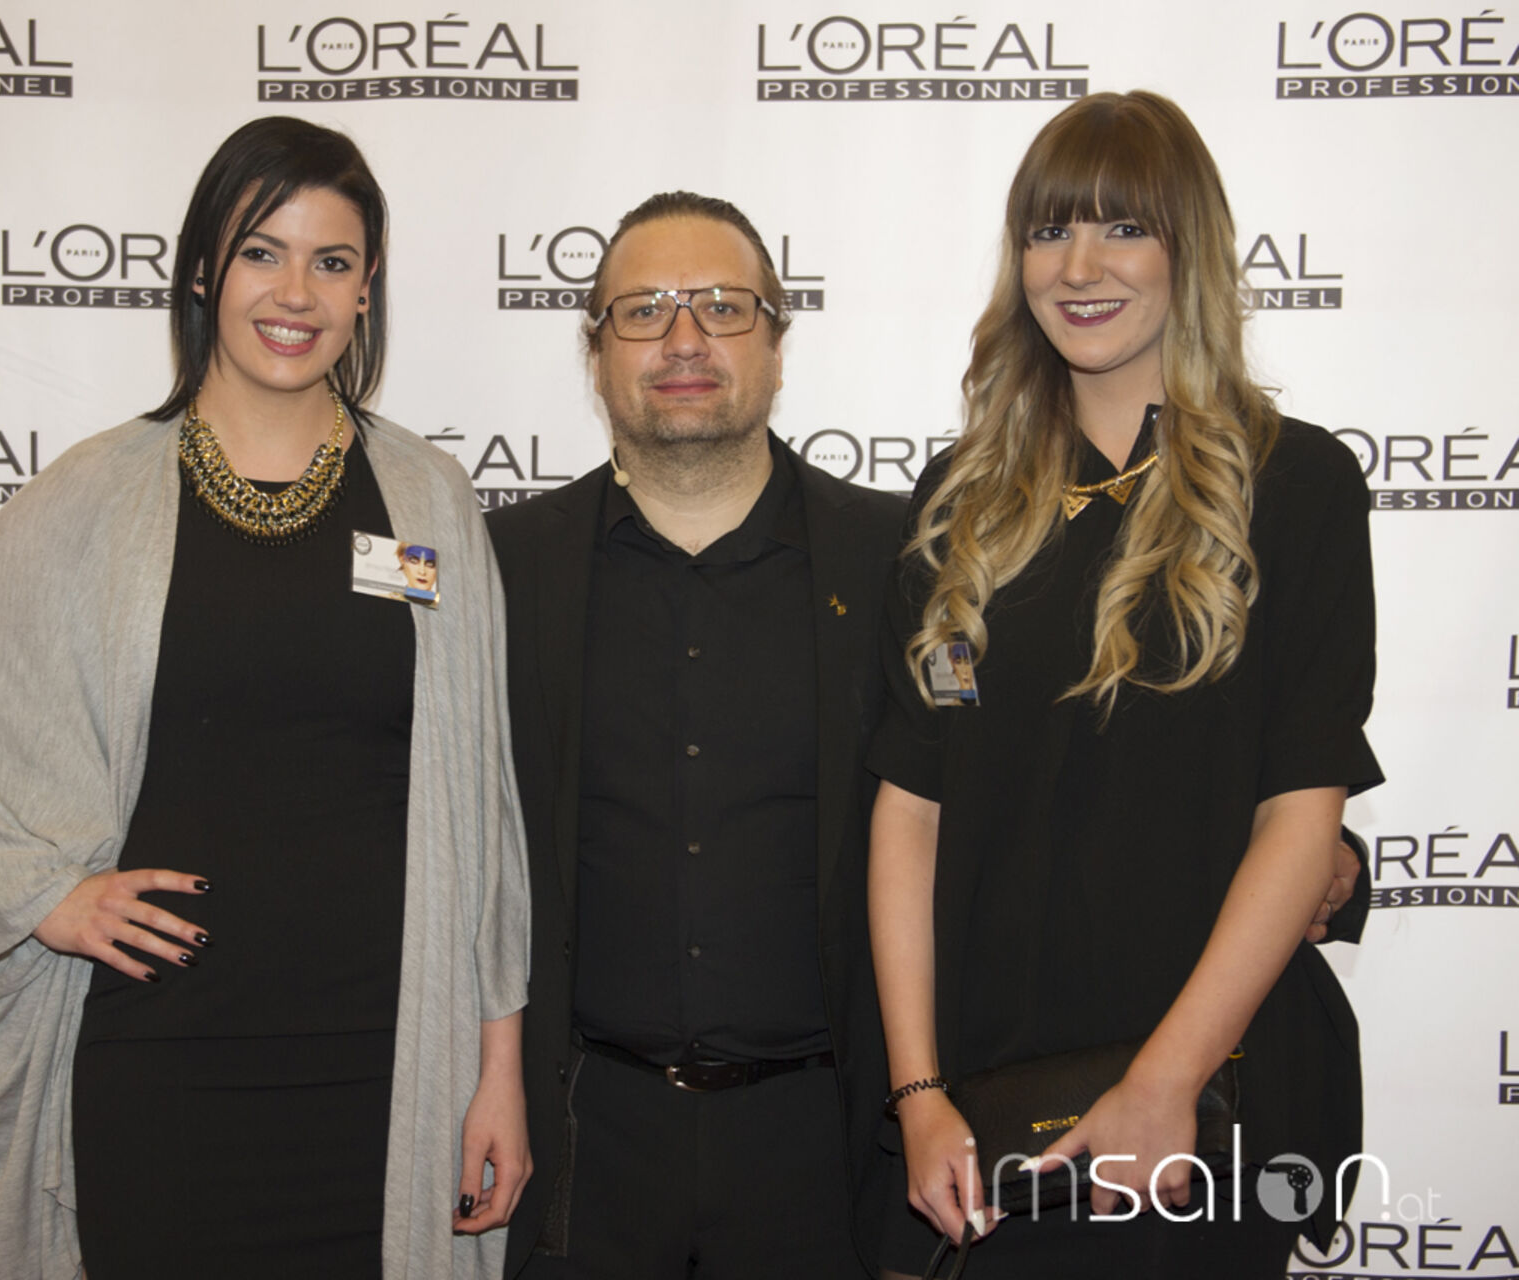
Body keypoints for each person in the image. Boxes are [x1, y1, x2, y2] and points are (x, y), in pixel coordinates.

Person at [0, 116, 530, 1280]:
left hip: (385, 1067)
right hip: (162, 1064)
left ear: (368, 288)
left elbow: (485, 813)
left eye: (332, 261)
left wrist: (498, 1067)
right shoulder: (98, 493)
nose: (296, 293)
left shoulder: (427, 497)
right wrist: (41, 895)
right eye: (263, 251)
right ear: (206, 268)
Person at [868, 91, 1381, 1279]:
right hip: (995, 1110)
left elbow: (1303, 812)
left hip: (1215, 1102)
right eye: (1050, 230)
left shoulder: (1296, 485)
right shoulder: (958, 505)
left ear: (1187, 248)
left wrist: (1165, 1081)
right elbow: (912, 810)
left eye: (1123, 228)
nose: (1080, 266)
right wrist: (918, 1091)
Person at [490, 191, 908, 1277]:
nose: (684, 339)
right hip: (580, 1143)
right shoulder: (504, 570)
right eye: (642, 312)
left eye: (723, 306)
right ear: (596, 356)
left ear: (777, 343)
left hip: (829, 1145)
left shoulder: (901, 561)